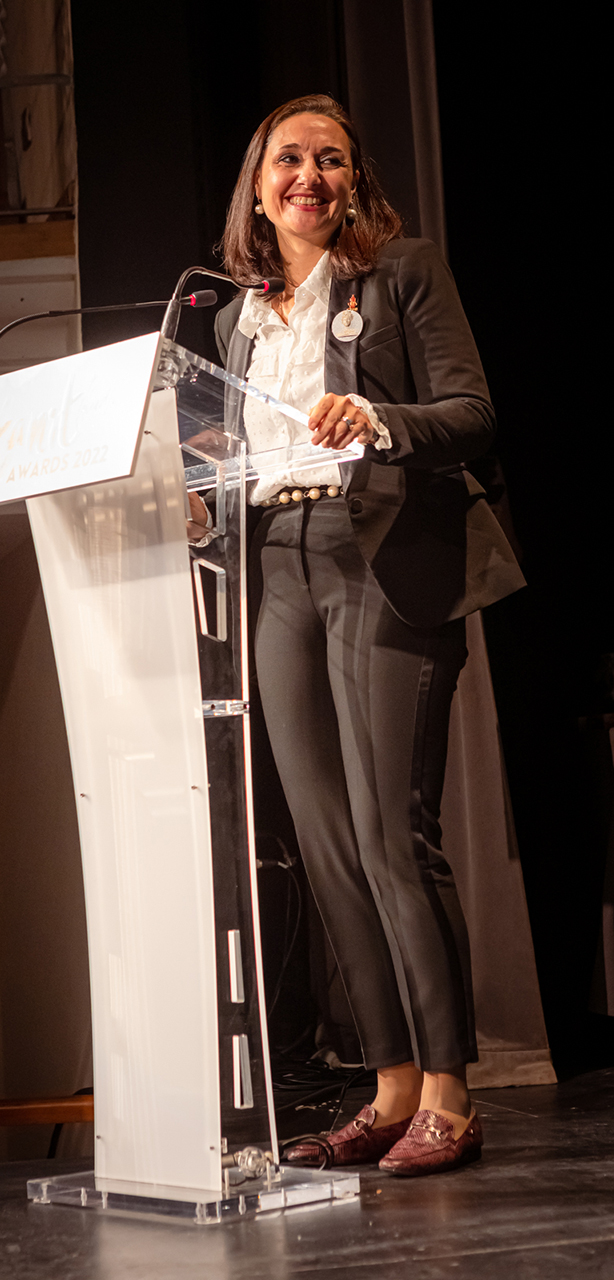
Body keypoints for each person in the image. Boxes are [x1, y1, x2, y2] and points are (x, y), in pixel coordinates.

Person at [189, 94, 524, 1176]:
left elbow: (471, 412)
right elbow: (228, 445)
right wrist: (196, 486)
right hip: (277, 565)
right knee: (328, 844)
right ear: (256, 186)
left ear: (353, 179)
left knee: (390, 834)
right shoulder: (232, 321)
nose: (309, 177)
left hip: (378, 551)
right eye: (288, 159)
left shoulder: (401, 272)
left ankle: (450, 1094)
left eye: (329, 159)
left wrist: (377, 421)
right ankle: (389, 1086)